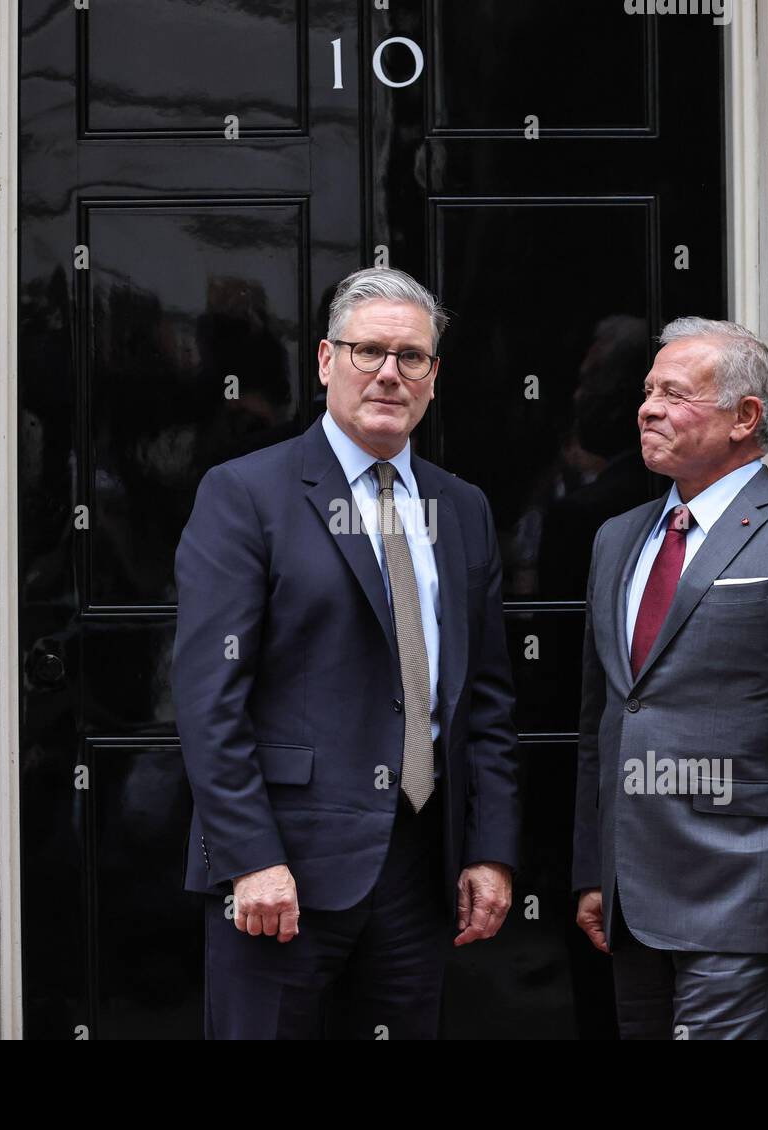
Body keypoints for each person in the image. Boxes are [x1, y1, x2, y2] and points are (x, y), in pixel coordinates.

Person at [174, 266, 519, 1039]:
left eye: (412, 357)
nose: (390, 374)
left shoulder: (462, 509)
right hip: (281, 869)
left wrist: (491, 851)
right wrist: (249, 858)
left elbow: (487, 701)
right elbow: (209, 699)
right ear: (327, 360)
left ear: (434, 376)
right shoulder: (247, 494)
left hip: (420, 870)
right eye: (369, 352)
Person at [573, 317, 768, 1039]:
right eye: (648, 391)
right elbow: (604, 721)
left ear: (745, 417)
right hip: (633, 899)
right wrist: (593, 868)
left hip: (747, 893)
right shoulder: (617, 537)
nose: (647, 407)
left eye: (675, 394)